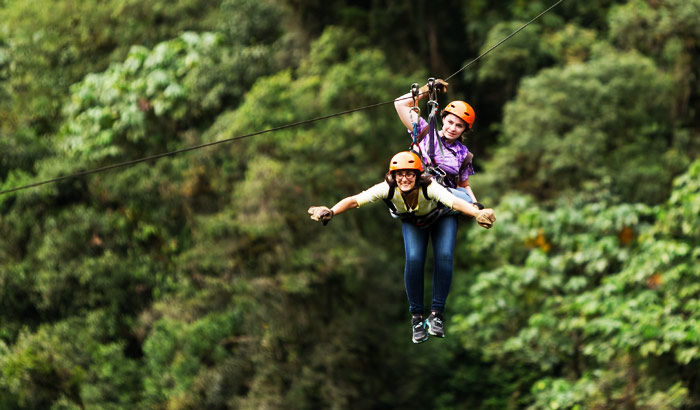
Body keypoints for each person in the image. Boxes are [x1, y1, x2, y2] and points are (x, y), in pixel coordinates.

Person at [308, 151, 495, 344]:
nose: (404, 179)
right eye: (400, 174)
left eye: (409, 174)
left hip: (442, 217)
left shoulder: (429, 186)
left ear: (417, 175)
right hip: (414, 221)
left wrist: (475, 213)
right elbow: (355, 200)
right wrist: (331, 211)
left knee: (444, 256)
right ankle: (417, 318)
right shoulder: (387, 188)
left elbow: (454, 201)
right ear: (393, 176)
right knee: (414, 259)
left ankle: (437, 314)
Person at [394, 79, 479, 208]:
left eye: (459, 126)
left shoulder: (463, 153)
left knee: (464, 197)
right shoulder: (425, 132)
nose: (452, 128)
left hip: (445, 203)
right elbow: (400, 104)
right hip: (419, 197)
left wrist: (476, 206)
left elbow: (463, 185)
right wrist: (425, 90)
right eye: (450, 122)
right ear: (443, 119)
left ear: (464, 130)